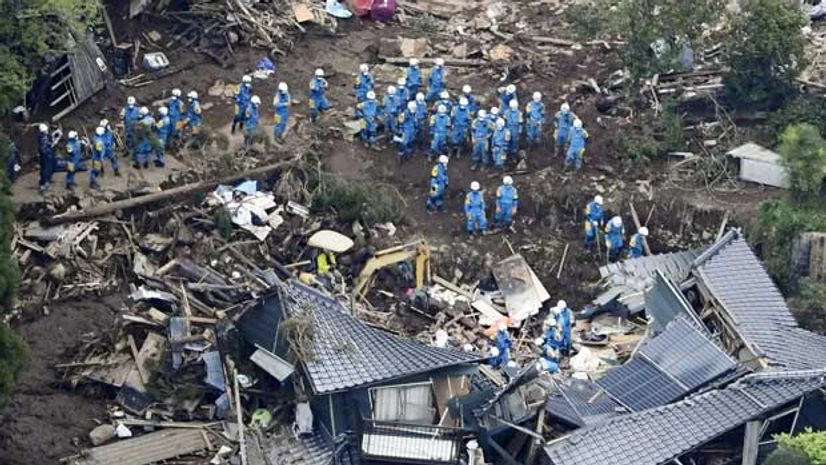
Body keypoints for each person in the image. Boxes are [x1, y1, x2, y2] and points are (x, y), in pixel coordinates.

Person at [38, 123, 55, 193]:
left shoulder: (44, 136)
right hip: (46, 156)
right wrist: (52, 144)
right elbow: (45, 148)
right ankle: (44, 183)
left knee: (48, 168)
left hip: (47, 155)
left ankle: (46, 181)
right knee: (45, 169)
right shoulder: (43, 139)